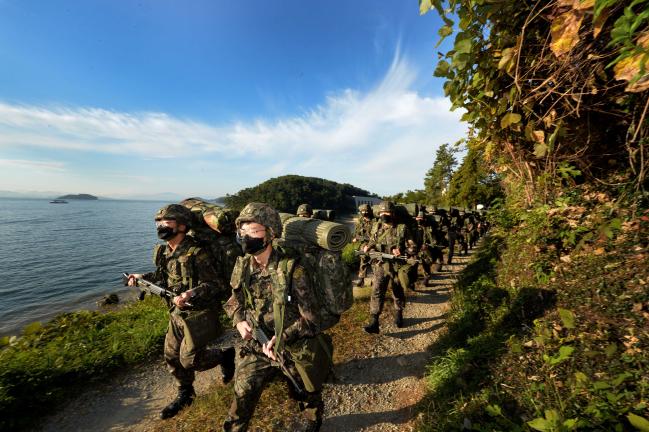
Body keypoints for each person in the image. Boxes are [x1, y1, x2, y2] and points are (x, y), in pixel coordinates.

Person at [223, 202, 332, 432]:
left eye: (252, 231)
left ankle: (313, 419)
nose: (244, 237)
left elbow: (311, 319)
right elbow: (233, 300)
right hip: (256, 344)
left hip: (292, 345)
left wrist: (282, 337)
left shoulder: (293, 269)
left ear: (270, 234)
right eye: (241, 232)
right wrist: (239, 320)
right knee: (242, 394)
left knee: (304, 390)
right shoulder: (242, 264)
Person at [127, 204, 235, 419]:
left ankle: (224, 356)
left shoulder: (198, 252)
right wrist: (142, 278)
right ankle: (186, 393)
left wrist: (191, 293)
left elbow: (217, 284)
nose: (161, 226)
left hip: (198, 313)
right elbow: (163, 277)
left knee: (191, 360)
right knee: (171, 356)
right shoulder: (163, 250)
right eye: (158, 222)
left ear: (182, 226)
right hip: (176, 312)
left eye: (167, 222)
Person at [362, 201, 412, 333]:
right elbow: (372, 240)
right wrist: (368, 247)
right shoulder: (376, 226)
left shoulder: (402, 228)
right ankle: (374, 321)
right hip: (381, 264)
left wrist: (404, 251)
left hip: (397, 265)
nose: (384, 215)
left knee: (397, 290)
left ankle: (399, 313)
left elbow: (412, 246)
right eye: (382, 213)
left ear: (393, 214)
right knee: (377, 290)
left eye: (387, 212)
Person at [352, 204, 374, 287]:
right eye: (363, 211)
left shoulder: (374, 221)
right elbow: (357, 232)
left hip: (373, 243)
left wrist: (369, 244)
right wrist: (356, 238)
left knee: (374, 260)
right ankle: (361, 279)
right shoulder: (361, 220)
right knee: (363, 258)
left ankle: (374, 279)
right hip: (364, 243)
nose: (365, 213)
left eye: (366, 211)